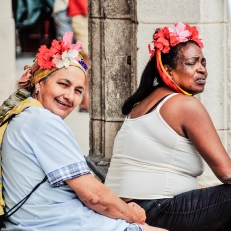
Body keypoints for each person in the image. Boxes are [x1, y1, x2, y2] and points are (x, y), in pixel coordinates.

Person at [0, 32, 166, 231]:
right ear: (39, 83)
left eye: (78, 90)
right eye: (63, 84)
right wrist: (133, 215)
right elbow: (94, 197)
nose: (69, 96)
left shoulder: (22, 115)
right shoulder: (43, 122)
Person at [105, 22, 231, 231]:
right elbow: (227, 172)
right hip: (154, 209)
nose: (202, 70)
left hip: (131, 207)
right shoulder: (185, 105)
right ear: (169, 70)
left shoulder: (142, 106)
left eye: (203, 63)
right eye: (192, 63)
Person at [67, 0, 89, 112]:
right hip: (81, 12)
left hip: (89, 11)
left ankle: (86, 97)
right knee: (86, 57)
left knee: (88, 58)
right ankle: (85, 97)